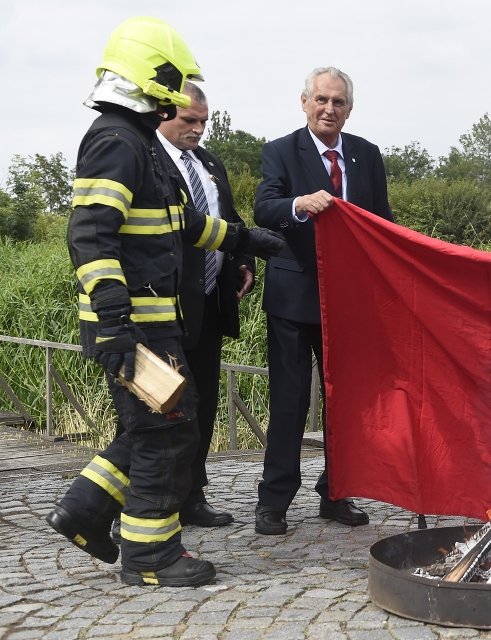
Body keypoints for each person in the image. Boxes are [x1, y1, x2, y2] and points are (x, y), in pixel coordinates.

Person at [45, 16, 283, 586]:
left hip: (153, 324)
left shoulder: (138, 143)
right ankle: (151, 556)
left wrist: (244, 239)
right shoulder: (115, 142)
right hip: (134, 328)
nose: (174, 98)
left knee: (157, 424)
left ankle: (83, 510)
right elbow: (90, 234)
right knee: (167, 428)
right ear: (148, 79)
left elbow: (181, 223)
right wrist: (114, 323)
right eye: (170, 85)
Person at [253, 66, 393, 535]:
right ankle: (273, 501)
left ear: (349, 110)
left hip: (350, 301)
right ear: (304, 102)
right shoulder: (279, 151)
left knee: (345, 404)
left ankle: (336, 493)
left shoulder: (366, 155)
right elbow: (264, 208)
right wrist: (299, 204)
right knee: (290, 404)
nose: (328, 109)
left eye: (338, 102)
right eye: (321, 100)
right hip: (294, 299)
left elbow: (383, 225)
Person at [157, 81, 256, 526]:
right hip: (164, 307)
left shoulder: (210, 163)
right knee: (160, 408)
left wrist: (243, 259)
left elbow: (229, 222)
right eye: (188, 121)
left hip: (212, 304)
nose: (198, 130)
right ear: (163, 114)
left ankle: (193, 495)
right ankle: (149, 501)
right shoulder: (148, 160)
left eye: (203, 121)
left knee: (205, 404)